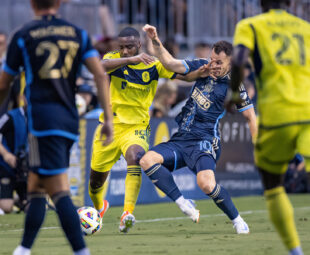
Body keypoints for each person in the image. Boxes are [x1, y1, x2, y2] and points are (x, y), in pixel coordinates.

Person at [0, 0, 113, 254]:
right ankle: (23, 249)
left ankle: (80, 250)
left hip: (42, 122)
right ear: (59, 3)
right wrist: (109, 120)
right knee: (36, 186)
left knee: (57, 189)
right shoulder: (78, 34)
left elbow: (4, 84)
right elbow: (100, 75)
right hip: (69, 121)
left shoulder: (23, 35)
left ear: (31, 4)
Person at [140, 24, 257, 233]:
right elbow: (170, 63)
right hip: (182, 138)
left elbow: (250, 116)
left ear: (230, 62)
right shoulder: (202, 66)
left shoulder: (234, 84)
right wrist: (155, 40)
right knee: (147, 160)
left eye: (219, 62)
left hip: (204, 141)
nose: (214, 65)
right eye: (212, 59)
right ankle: (184, 203)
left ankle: (238, 220)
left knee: (206, 185)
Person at [89, 26, 202, 233]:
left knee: (136, 156)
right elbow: (99, 67)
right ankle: (99, 209)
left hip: (136, 127)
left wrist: (203, 72)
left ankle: (127, 213)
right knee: (95, 182)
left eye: (129, 47)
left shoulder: (154, 65)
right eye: (121, 47)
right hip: (109, 127)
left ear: (139, 45)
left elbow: (183, 76)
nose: (124, 51)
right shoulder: (113, 59)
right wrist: (130, 60)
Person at [229, 0, 310, 253]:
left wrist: (233, 94)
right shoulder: (305, 27)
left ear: (261, 3)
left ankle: (295, 251)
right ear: (290, 3)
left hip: (278, 116)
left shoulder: (250, 25)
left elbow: (239, 59)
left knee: (272, 183)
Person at [0, 103, 28, 214]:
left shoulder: (39, 117)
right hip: (7, 167)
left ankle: (21, 201)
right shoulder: (10, 116)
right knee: (6, 207)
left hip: (26, 169)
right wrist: (6, 155)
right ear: (24, 98)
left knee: (32, 208)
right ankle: (13, 201)